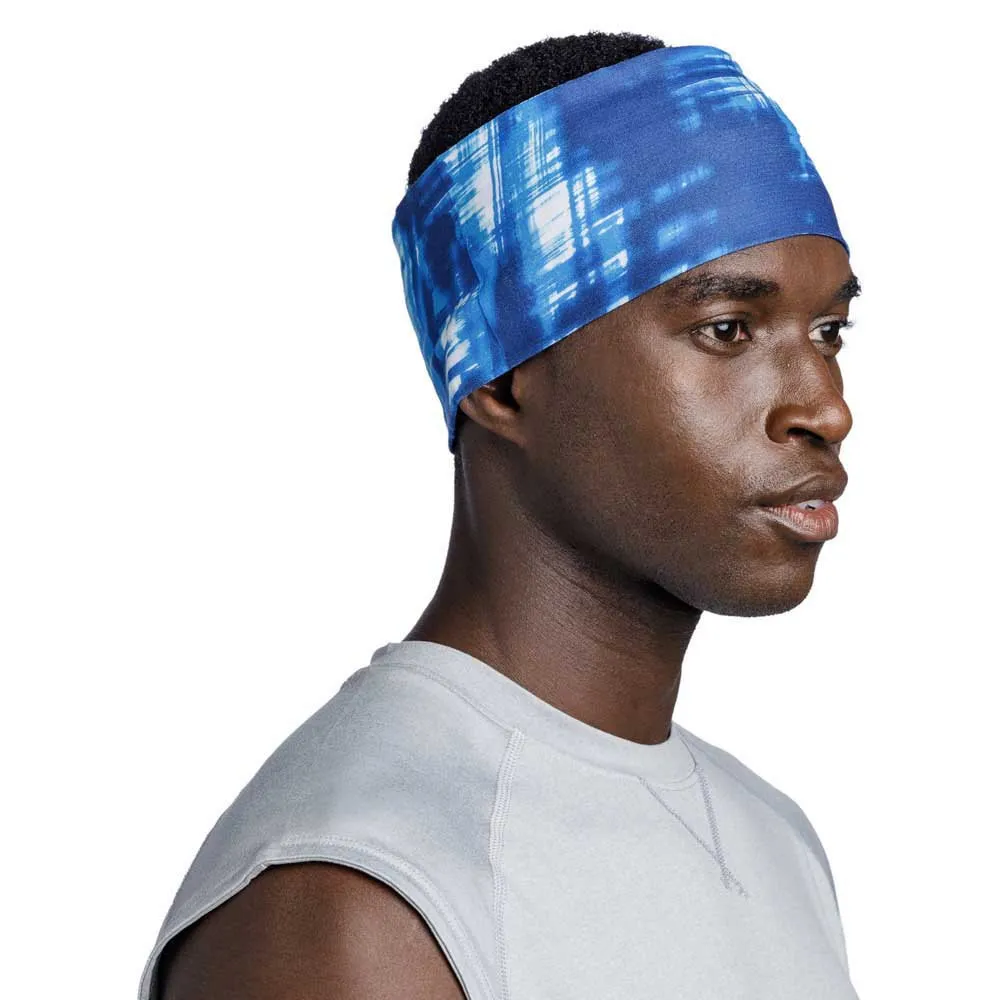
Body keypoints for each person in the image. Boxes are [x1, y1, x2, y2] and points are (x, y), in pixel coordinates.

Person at [140, 30, 861, 1000]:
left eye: (829, 331)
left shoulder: (775, 841)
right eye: (727, 329)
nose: (824, 406)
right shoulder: (358, 900)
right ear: (502, 375)